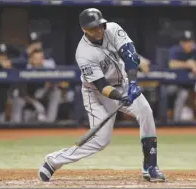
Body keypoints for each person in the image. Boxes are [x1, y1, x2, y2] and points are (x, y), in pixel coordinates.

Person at [38, 8, 166, 183]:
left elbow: (129, 55)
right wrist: (121, 97)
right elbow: (101, 86)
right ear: (84, 29)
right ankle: (54, 161)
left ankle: (150, 166)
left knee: (145, 111)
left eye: (100, 26)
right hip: (97, 94)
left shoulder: (112, 29)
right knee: (101, 140)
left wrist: (133, 84)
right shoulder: (83, 53)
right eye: (93, 28)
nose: (98, 30)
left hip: (123, 83)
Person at [168, 30, 196, 121]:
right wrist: (189, 64)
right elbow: (172, 64)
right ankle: (176, 121)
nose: (188, 44)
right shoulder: (175, 50)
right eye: (185, 42)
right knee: (182, 94)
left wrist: (193, 64)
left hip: (190, 82)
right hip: (174, 82)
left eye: (190, 42)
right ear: (181, 43)